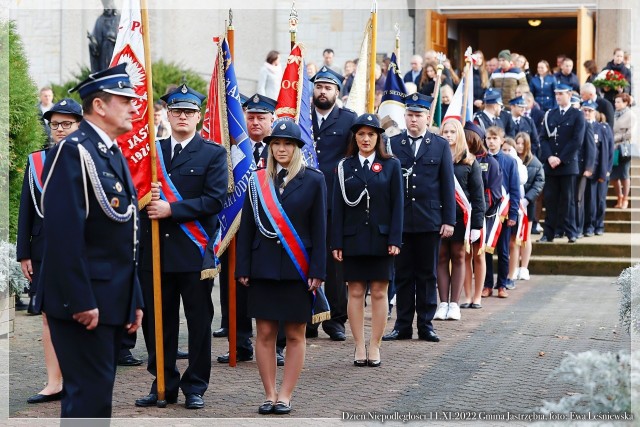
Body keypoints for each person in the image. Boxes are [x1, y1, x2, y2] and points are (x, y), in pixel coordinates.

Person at [37, 63, 143, 418]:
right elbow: (64, 236)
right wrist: (80, 300)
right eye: (125, 99)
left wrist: (135, 299)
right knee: (87, 403)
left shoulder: (110, 153)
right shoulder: (74, 151)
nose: (134, 106)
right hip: (85, 304)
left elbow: (127, 237)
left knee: (97, 401)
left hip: (111, 300)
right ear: (99, 106)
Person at [135, 84, 228, 410]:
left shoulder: (213, 154)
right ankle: (162, 383)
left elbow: (214, 200)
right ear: (168, 115)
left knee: (199, 322)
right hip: (155, 253)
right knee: (158, 324)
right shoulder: (151, 152)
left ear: (198, 116)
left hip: (194, 254)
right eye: (177, 112)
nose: (183, 117)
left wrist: (171, 209)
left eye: (188, 112)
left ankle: (195, 386)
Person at [236, 120, 327, 415]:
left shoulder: (313, 180)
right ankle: (269, 393)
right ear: (270, 147)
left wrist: (318, 270)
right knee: (263, 332)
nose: (282, 148)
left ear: (297, 147)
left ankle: (285, 395)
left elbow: (320, 228)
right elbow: (247, 227)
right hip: (262, 266)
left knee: (295, 333)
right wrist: (243, 267)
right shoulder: (258, 180)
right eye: (276, 143)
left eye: (288, 143)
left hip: (297, 269)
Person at [17, 98, 82, 404]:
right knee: (47, 315)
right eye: (55, 124)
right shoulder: (37, 161)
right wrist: (24, 253)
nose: (59, 130)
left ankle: (78, 378)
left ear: (80, 125)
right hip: (44, 249)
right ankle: (54, 381)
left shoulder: (91, 160)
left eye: (66, 124)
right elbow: (26, 210)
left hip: (82, 250)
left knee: (80, 314)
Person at [383, 93, 455, 342]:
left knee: (427, 275)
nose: (414, 120)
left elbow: (447, 184)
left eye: (418, 115)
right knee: (402, 275)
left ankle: (426, 324)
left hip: (429, 219)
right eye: (410, 115)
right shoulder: (394, 144)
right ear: (404, 117)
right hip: (402, 221)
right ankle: (403, 325)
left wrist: (449, 220)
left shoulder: (440, 145)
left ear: (427, 117)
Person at [331, 114, 403, 366]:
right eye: (361, 134)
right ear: (355, 137)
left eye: (371, 134)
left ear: (378, 138)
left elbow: (398, 206)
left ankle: (375, 346)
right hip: (353, 239)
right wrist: (336, 242)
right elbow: (337, 206)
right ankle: (359, 346)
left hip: (382, 239)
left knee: (380, 292)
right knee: (356, 291)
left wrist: (395, 238)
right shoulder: (344, 166)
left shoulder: (391, 165)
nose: (365, 139)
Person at [216, 93, 276, 365]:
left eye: (261, 118)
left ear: (271, 120)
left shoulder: (281, 148)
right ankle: (239, 343)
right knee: (236, 286)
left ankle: (277, 344)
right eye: (250, 117)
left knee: (273, 286)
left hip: (273, 230)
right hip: (238, 227)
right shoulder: (234, 150)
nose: (255, 122)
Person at [307, 66, 357, 341]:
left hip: (334, 200)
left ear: (338, 91)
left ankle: (335, 319)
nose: (322, 91)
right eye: (318, 86)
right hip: (303, 199)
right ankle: (309, 317)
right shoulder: (302, 116)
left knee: (334, 261)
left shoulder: (348, 120)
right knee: (305, 258)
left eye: (328, 87)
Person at [435, 119, 484, 321]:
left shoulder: (470, 162)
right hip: (437, 217)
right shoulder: (435, 159)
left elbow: (478, 196)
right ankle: (443, 303)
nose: (448, 135)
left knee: (458, 257)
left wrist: (478, 225)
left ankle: (454, 303)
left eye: (452, 132)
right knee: (440, 258)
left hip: (461, 218)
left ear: (459, 136)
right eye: (445, 131)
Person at [538, 84, 586, 243]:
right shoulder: (550, 114)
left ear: (570, 94)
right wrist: (550, 157)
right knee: (551, 200)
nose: (558, 96)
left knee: (569, 200)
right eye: (556, 94)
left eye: (561, 94)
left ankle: (571, 231)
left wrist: (561, 158)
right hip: (551, 165)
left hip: (567, 164)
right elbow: (543, 138)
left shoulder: (577, 115)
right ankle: (548, 233)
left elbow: (577, 140)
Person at [461, 122, 502, 308]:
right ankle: (467, 296)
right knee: (465, 257)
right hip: (463, 215)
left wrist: (477, 209)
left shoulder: (490, 162)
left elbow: (494, 193)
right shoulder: (459, 159)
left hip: (481, 217)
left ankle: (477, 297)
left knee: (478, 256)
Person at [482, 126, 520, 297]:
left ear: (502, 141)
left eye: (495, 138)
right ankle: (487, 284)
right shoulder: (480, 160)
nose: (491, 141)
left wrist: (513, 214)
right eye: (489, 138)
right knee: (486, 249)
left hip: (503, 212)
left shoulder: (510, 161)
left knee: (503, 250)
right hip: (487, 211)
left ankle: (502, 284)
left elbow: (514, 189)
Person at [512, 132, 544, 281]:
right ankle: (514, 266)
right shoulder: (511, 159)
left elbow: (539, 183)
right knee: (513, 238)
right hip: (512, 204)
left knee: (525, 236)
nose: (519, 146)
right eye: (517, 143)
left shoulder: (535, 163)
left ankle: (524, 267)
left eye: (522, 143)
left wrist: (527, 199)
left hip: (527, 205)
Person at [611, 93, 637, 209]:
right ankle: (619, 196)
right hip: (612, 148)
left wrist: (615, 138)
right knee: (613, 176)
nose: (616, 104)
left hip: (624, 148)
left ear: (626, 103)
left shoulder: (631, 115)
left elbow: (630, 133)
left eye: (619, 102)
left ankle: (625, 198)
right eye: (615, 102)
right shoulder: (613, 114)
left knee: (624, 174)